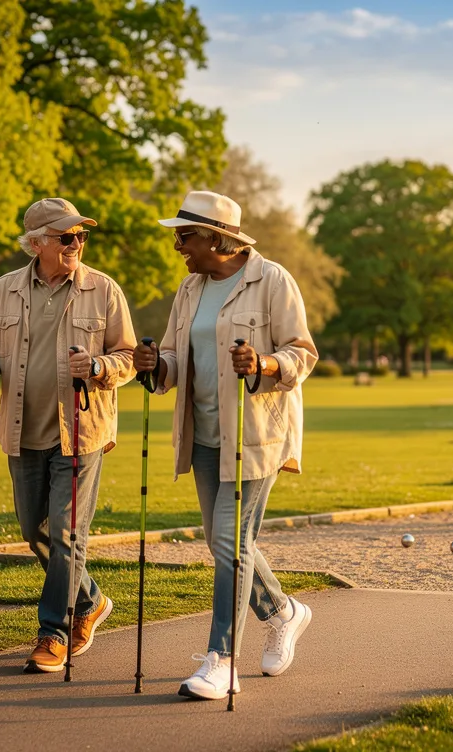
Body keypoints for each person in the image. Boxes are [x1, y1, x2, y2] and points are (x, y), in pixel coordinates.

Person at [134, 190, 319, 701]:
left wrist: (263, 364)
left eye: (185, 235)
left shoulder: (272, 279)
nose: (177, 244)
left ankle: (223, 659)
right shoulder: (189, 289)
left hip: (256, 437)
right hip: (205, 437)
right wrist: (156, 366)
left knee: (227, 544)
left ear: (217, 239)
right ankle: (283, 611)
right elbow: (174, 357)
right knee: (228, 544)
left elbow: (302, 354)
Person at [0, 197, 136, 674]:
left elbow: (128, 356)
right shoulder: (4, 290)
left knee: (66, 531)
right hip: (22, 432)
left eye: (80, 236)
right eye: (66, 236)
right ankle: (92, 599)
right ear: (36, 243)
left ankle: (54, 630)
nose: (77, 243)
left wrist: (98, 366)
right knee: (32, 528)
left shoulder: (103, 288)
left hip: (81, 431)